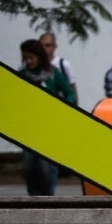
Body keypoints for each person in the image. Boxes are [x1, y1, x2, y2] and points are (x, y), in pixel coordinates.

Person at [19, 38, 76, 195]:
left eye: (31, 57)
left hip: (49, 126)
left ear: (39, 56)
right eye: (26, 58)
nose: (28, 61)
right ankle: (34, 198)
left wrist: (60, 108)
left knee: (46, 167)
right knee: (29, 166)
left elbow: (70, 94)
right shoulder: (22, 75)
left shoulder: (52, 73)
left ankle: (48, 198)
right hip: (29, 128)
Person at [39, 31, 78, 102]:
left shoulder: (63, 64)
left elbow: (73, 90)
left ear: (54, 46)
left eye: (47, 45)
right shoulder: (34, 64)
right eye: (41, 45)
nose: (43, 48)